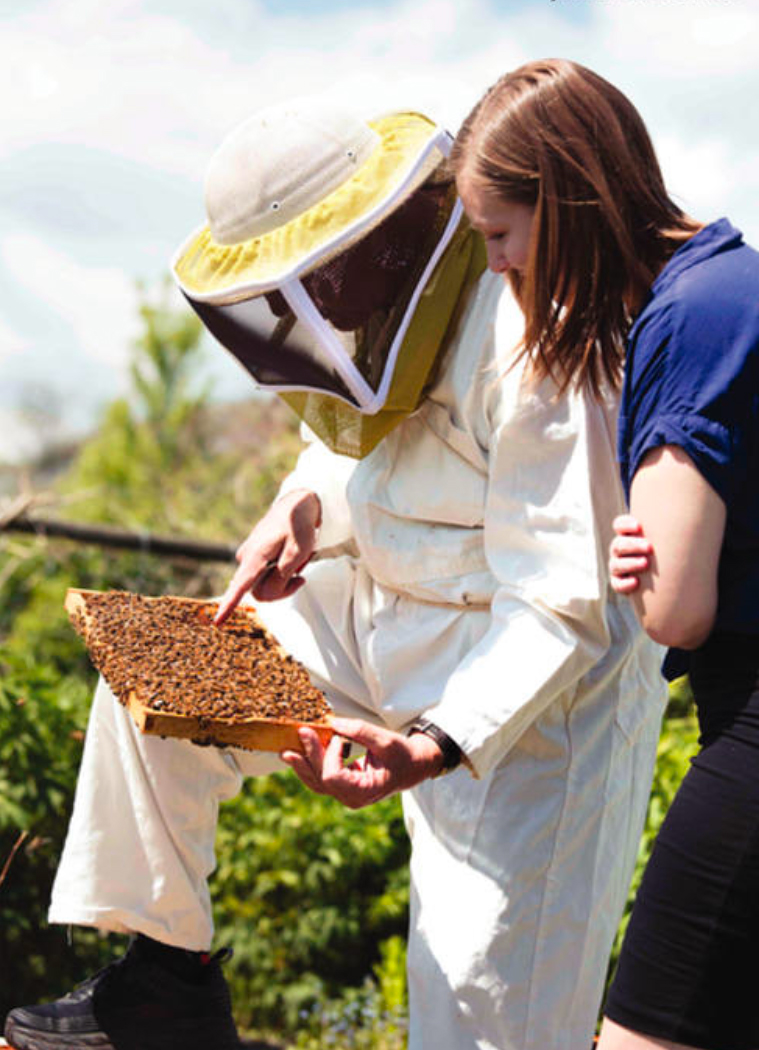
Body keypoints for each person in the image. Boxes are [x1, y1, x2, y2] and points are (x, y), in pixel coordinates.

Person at [4, 95, 665, 1050]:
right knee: (152, 679)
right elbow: (365, 443)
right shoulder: (388, 311)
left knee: (480, 1017)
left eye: (303, 278)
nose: (288, 307)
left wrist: (433, 743)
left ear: (380, 241)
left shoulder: (539, 335)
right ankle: (167, 983)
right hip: (383, 613)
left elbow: (562, 606)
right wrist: (301, 505)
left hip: (525, 713)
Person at [452, 56, 759, 1050]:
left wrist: (651, 564)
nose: (498, 266)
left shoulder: (691, 314)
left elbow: (674, 610)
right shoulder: (731, 285)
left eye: (501, 235)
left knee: (640, 1037)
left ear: (566, 199)